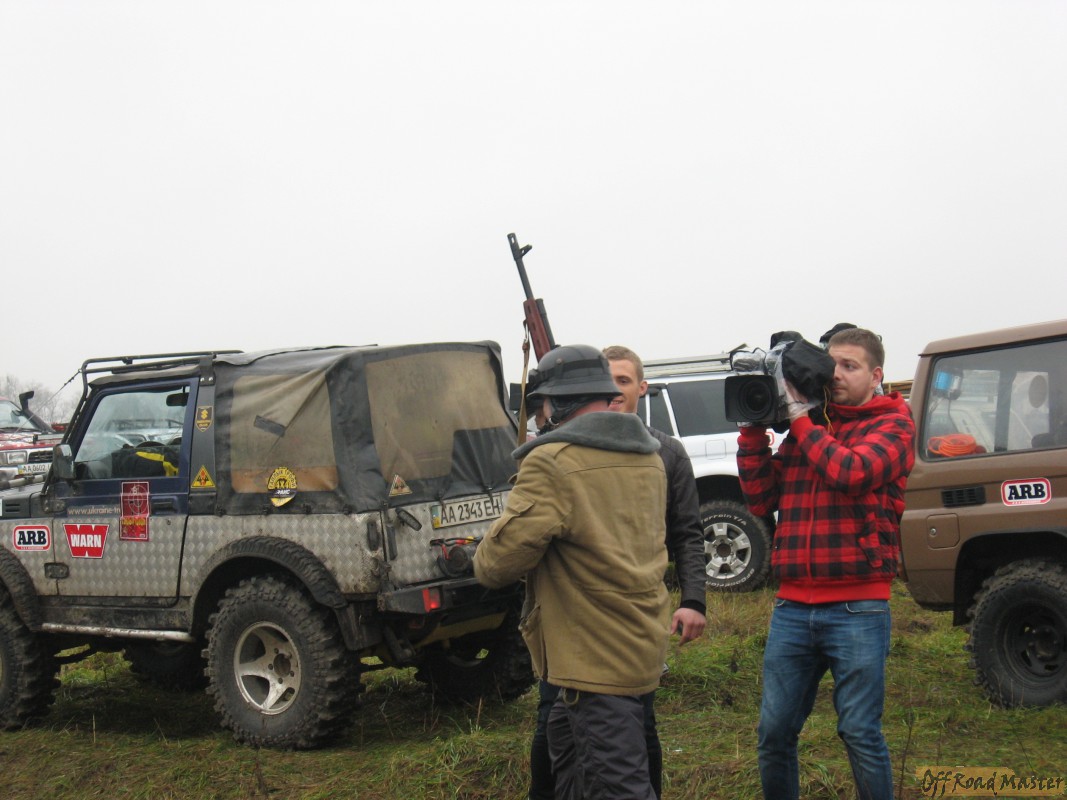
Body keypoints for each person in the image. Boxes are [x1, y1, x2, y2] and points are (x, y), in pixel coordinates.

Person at [474, 344, 670, 800]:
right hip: (639, 646)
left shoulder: (552, 462)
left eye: (542, 405)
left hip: (593, 662)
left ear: (555, 404)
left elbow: (495, 564)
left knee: (617, 788)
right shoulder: (650, 456)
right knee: (575, 773)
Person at [736, 327, 915, 800]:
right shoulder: (811, 425)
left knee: (858, 730)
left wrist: (799, 420)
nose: (835, 374)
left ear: (876, 375)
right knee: (773, 733)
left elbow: (851, 473)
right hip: (792, 607)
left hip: (859, 606)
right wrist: (752, 429)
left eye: (850, 366)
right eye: (831, 364)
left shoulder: (893, 425)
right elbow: (761, 499)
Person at [526, 345, 709, 800]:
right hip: (568, 626)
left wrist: (693, 600)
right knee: (553, 731)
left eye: (623, 381)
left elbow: (687, 532)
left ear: (641, 388)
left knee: (637, 732)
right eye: (606, 382)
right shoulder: (561, 454)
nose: (613, 391)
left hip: (633, 626)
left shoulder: (666, 453)